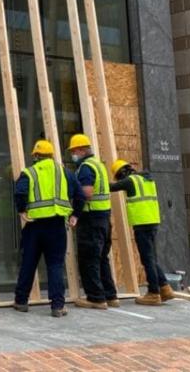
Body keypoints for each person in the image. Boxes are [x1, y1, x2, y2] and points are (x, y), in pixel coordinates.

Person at [13, 140, 83, 318]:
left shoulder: (29, 172)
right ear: (51, 155)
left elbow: (20, 192)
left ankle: (21, 301)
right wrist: (75, 215)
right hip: (57, 225)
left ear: (36, 156)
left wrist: (22, 210)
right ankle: (57, 306)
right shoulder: (65, 173)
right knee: (55, 265)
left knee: (28, 262)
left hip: (34, 225)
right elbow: (80, 195)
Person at [110, 159, 176, 305]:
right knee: (151, 258)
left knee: (147, 259)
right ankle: (165, 288)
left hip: (142, 223)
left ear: (121, 173)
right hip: (153, 222)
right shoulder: (147, 179)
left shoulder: (130, 181)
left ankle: (153, 293)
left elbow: (111, 187)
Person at [68, 133, 120, 310]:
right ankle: (110, 295)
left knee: (89, 258)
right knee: (101, 258)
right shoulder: (98, 165)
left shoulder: (86, 168)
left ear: (82, 150)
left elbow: (87, 193)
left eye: (74, 151)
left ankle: (96, 298)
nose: (73, 154)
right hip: (104, 218)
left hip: (91, 219)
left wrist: (74, 210)